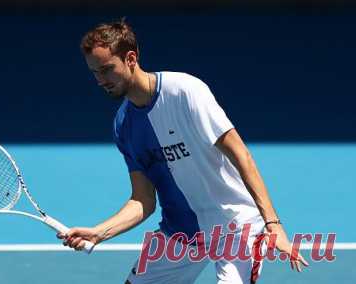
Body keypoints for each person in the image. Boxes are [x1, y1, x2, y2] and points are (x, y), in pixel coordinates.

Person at [57, 19, 309, 283]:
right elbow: (143, 201)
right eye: (95, 72)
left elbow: (241, 155)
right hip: (181, 233)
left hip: (235, 228)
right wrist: (99, 232)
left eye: (107, 69)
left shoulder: (185, 92)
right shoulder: (124, 125)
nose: (101, 80)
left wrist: (273, 224)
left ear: (131, 58)